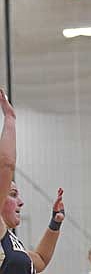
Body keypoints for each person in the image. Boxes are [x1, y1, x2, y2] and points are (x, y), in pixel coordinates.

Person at [0, 88, 65, 274]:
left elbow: (41, 260)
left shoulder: (10, 240)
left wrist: (55, 223)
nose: (21, 201)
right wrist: (10, 119)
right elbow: (6, 165)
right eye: (12, 194)